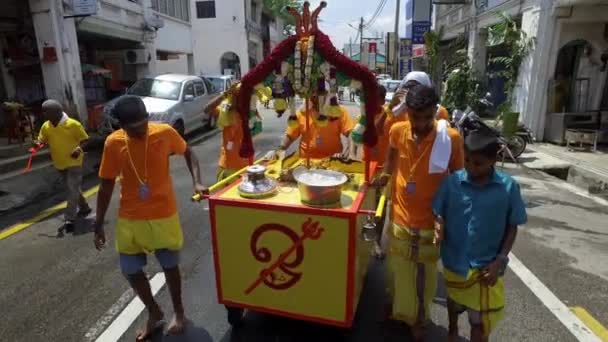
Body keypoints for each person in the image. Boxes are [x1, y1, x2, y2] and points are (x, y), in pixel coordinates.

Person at [93, 96, 207, 341]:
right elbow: (105, 186)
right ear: (121, 126)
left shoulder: (164, 133)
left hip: (162, 214)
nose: (141, 130)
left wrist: (197, 181)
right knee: (130, 270)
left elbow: (189, 152)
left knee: (169, 266)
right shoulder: (113, 144)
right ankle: (154, 312)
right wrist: (99, 222)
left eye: (144, 123)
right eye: (134, 128)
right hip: (130, 217)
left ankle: (179, 312)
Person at [373, 85, 464, 341]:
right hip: (400, 213)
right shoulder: (397, 130)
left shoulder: (451, 139)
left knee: (423, 277)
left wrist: (451, 217)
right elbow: (391, 160)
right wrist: (384, 176)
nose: (421, 123)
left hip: (430, 219)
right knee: (396, 269)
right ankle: (394, 308)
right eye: (415, 117)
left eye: (427, 117)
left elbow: (458, 179)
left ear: (435, 112)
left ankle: (419, 320)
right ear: (408, 113)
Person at [432, 129, 527, 342]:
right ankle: (452, 329)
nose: (471, 168)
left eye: (478, 163)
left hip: (486, 268)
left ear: (493, 160)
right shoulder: (452, 182)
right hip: (454, 262)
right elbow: (439, 210)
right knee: (454, 304)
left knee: (480, 323)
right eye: (467, 161)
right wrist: (439, 223)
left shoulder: (508, 188)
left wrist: (500, 260)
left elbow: (513, 226)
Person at [37, 99, 92, 233]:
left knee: (71, 188)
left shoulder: (73, 124)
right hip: (59, 163)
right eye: (43, 111)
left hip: (74, 162)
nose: (44, 114)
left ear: (57, 112)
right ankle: (84, 207)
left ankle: (69, 218)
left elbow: (85, 140)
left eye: (46, 111)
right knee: (72, 188)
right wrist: (37, 145)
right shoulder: (46, 126)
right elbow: (42, 140)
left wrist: (78, 149)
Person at [276, 95, 354, 159]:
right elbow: (289, 136)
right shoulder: (302, 112)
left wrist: (350, 152)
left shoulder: (338, 111)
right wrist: (279, 150)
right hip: (306, 162)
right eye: (314, 96)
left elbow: (350, 132)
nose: (318, 99)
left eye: (322, 95)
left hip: (334, 161)